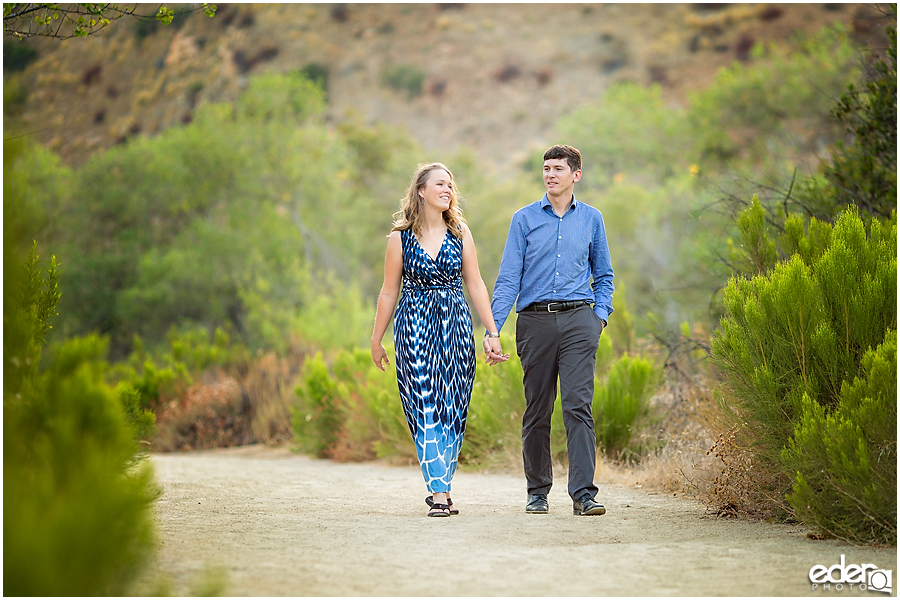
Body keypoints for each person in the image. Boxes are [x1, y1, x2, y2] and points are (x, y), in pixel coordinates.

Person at [371, 162, 509, 517]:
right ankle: (440, 492)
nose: (448, 190)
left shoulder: (460, 232)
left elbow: (475, 284)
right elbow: (388, 293)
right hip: (414, 325)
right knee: (424, 402)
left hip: (456, 327)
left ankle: (441, 485)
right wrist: (376, 339)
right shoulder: (399, 238)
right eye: (440, 184)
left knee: (453, 404)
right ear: (421, 191)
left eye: (451, 185)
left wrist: (492, 333)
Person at [489, 144, 614, 516]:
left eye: (558, 168)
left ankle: (583, 495)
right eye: (546, 168)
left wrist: (600, 316)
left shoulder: (592, 219)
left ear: (576, 175)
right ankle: (537, 491)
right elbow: (509, 278)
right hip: (534, 322)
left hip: (580, 321)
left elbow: (604, 275)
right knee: (538, 408)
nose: (550, 174)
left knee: (578, 407)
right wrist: (493, 329)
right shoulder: (523, 219)